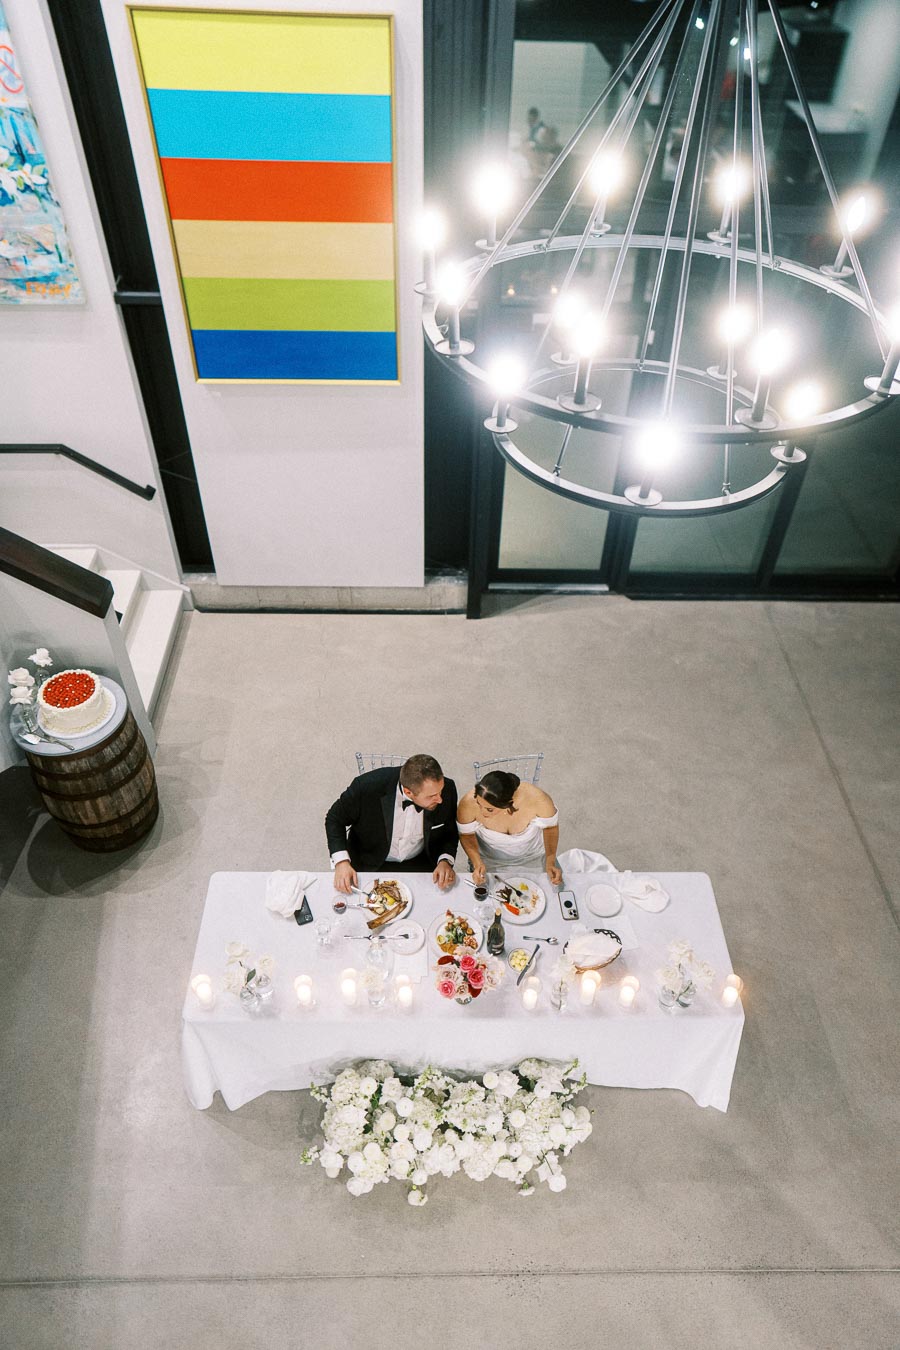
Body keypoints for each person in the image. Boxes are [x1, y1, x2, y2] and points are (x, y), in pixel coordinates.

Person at [326, 753, 458, 894]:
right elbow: (335, 819)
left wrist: (445, 860)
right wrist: (341, 862)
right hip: (369, 861)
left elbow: (450, 831)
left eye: (440, 792)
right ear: (408, 791)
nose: (440, 800)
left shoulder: (447, 789)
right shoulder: (366, 787)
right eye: (432, 796)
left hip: (420, 863)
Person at [457, 771, 562, 886]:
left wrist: (550, 860)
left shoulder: (538, 799)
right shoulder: (467, 803)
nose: (482, 813)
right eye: (479, 803)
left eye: (489, 809)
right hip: (489, 861)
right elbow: (466, 835)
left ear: (508, 804)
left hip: (533, 858)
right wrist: (477, 863)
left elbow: (550, 828)